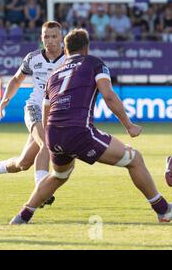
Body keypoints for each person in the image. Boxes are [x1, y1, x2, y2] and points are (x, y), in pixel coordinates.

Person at [10, 28, 172, 224]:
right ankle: (163, 210)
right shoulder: (94, 63)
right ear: (87, 48)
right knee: (135, 159)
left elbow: (47, 112)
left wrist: (52, 139)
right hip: (78, 131)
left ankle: (22, 216)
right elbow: (109, 95)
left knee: (59, 175)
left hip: (53, 134)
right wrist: (129, 125)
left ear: (66, 50)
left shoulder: (54, 74)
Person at [0, 21, 65, 208]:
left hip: (55, 114)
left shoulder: (70, 58)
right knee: (46, 144)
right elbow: (17, 80)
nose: (50, 41)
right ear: (41, 38)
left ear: (61, 38)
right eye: (46, 37)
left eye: (54, 36)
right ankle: (42, 191)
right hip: (34, 107)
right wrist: (4, 99)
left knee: (23, 163)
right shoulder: (33, 58)